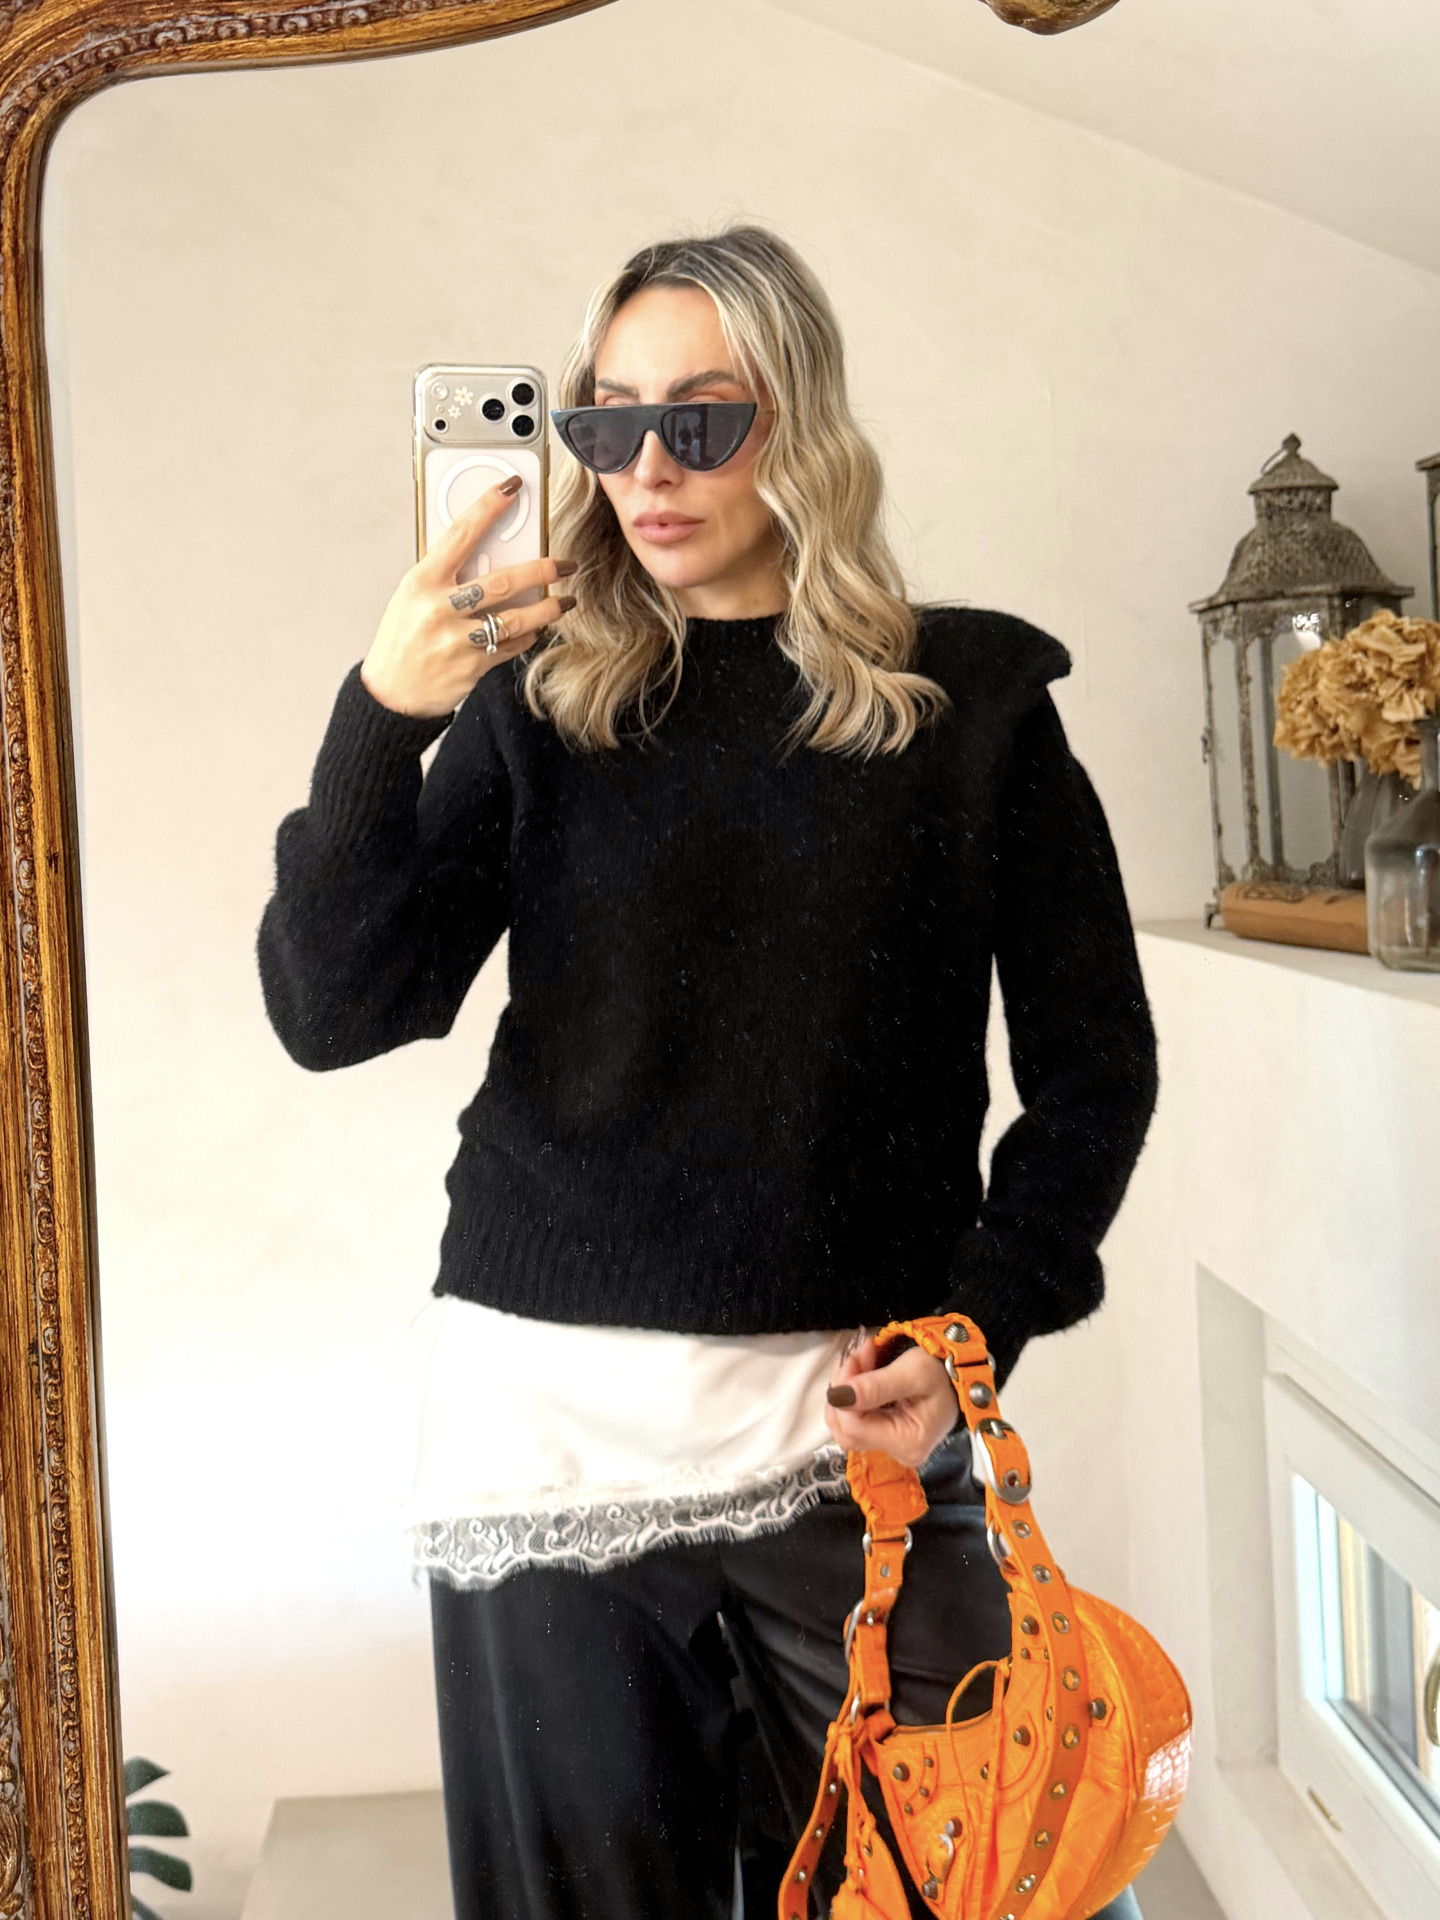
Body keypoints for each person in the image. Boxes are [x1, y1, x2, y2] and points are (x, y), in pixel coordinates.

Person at [258, 225, 1158, 1920]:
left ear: (798, 421)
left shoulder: (969, 703)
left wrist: (980, 1325)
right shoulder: (544, 704)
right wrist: (384, 714)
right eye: (605, 424)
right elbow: (335, 1008)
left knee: (962, 1886)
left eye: (701, 419)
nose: (646, 469)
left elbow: (1095, 1071)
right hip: (549, 1429)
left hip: (855, 1416)